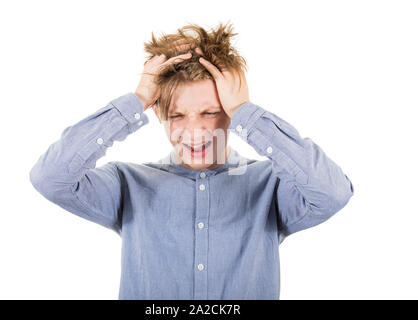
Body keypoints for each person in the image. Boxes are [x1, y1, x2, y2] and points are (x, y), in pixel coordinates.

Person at [29, 22, 354, 299]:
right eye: (178, 115)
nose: (195, 131)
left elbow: (332, 193)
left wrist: (247, 114)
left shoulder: (271, 184)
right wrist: (138, 99)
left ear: (230, 112)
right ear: (158, 114)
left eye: (211, 112)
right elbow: (50, 177)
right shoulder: (127, 183)